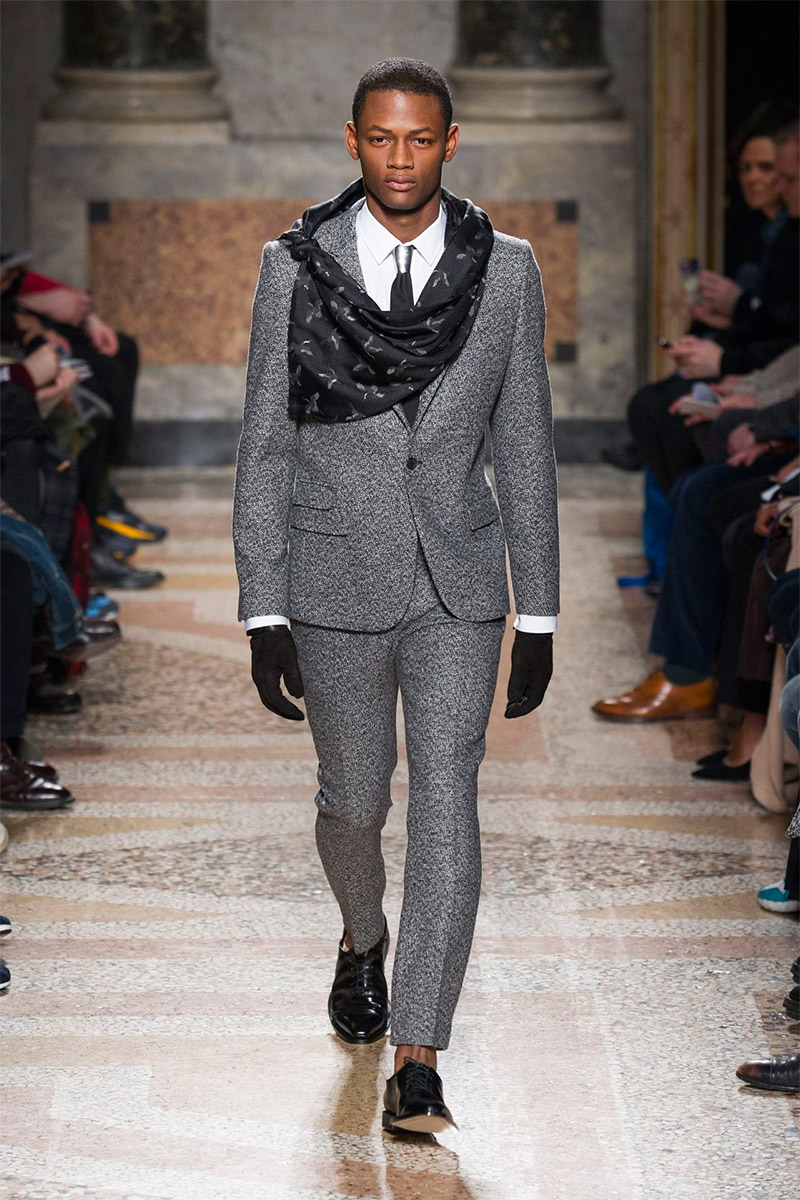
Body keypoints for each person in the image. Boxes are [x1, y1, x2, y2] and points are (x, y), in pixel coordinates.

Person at [233, 58, 559, 1133]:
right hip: (332, 574)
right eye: (381, 137)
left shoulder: (504, 269)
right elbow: (265, 446)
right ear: (353, 140)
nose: (401, 158)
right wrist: (262, 606)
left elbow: (524, 443)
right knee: (353, 802)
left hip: (458, 582)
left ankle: (419, 1053)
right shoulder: (295, 266)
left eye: (420, 138)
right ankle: (361, 934)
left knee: (448, 797)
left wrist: (539, 611)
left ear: (449, 143)